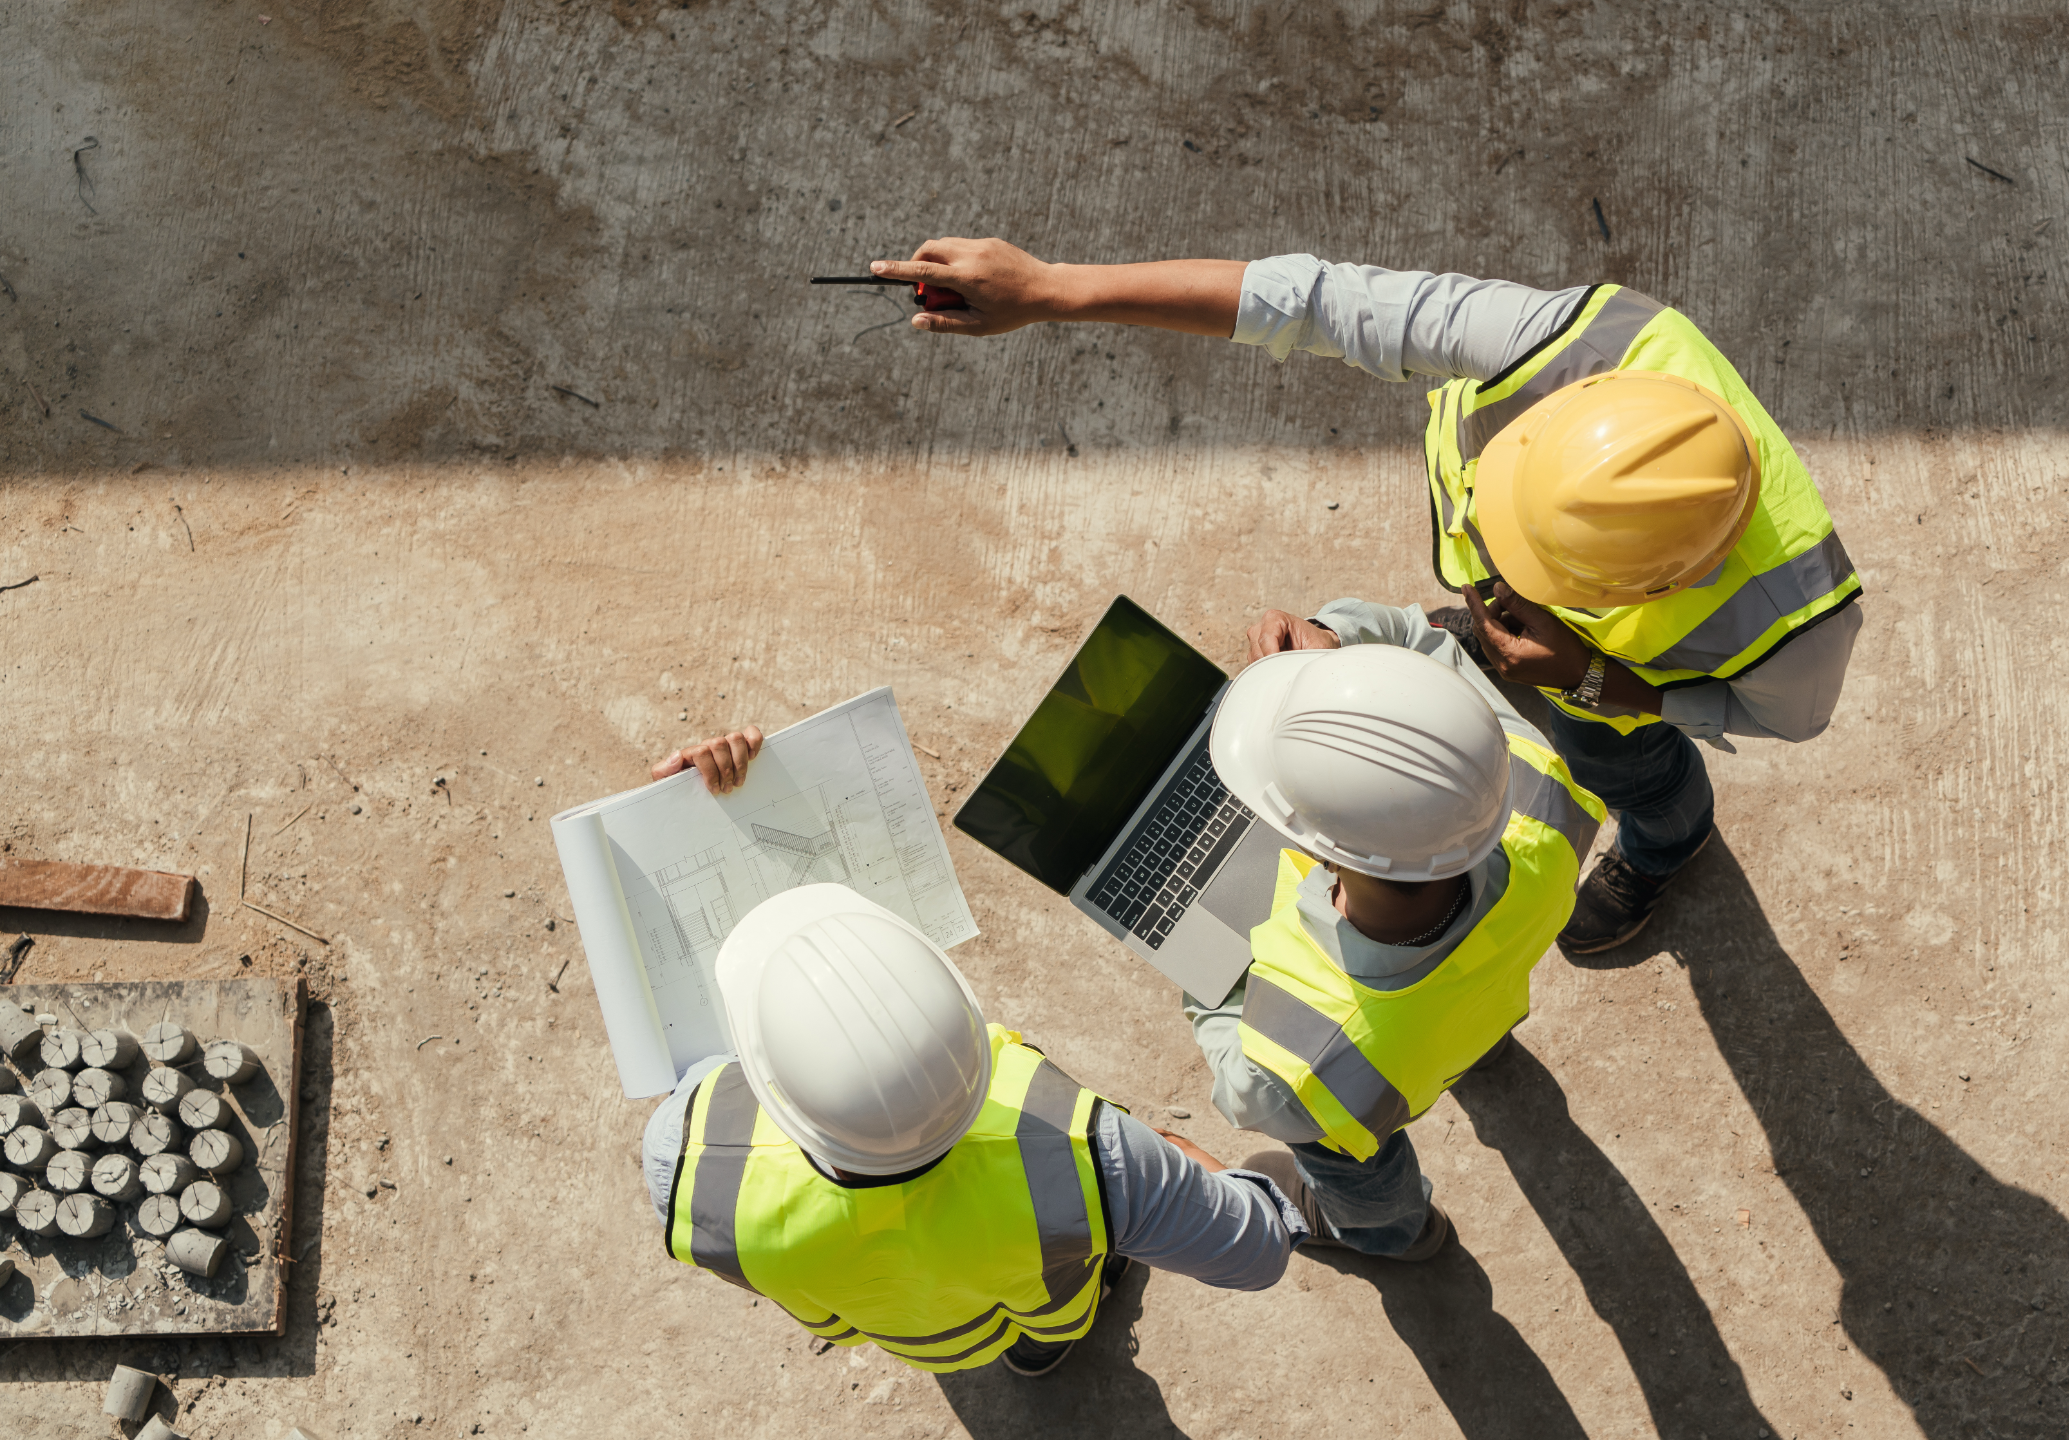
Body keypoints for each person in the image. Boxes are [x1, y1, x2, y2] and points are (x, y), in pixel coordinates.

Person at [865, 241, 1863, 953]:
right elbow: (1312, 301)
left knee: (1631, 771)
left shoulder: (1800, 633)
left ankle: (1668, 841)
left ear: (1654, 581)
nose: (1491, 573)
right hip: (1560, 654)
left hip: (1605, 689)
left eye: (1529, 569)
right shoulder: (1571, 342)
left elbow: (1775, 721)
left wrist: (1602, 685)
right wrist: (1053, 289)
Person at [640, 731, 1309, 1378]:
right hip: (1044, 1302)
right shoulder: (1093, 1156)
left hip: (903, 1329)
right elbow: (1256, 1250)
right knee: (1051, 1309)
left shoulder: (684, 1160)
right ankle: (1043, 1349)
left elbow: (697, 1055)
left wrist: (685, 821)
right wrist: (1162, 1162)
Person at [1180, 599, 1604, 1258]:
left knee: (1350, 1162)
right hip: (1470, 1006)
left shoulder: (1296, 1066)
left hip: (1367, 1083)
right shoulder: (1538, 792)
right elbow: (1420, 645)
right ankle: (1481, 1054)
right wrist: (1336, 654)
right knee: (1461, 1020)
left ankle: (1393, 1233)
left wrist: (1203, 982)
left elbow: (1245, 1091)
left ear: (1314, 850)